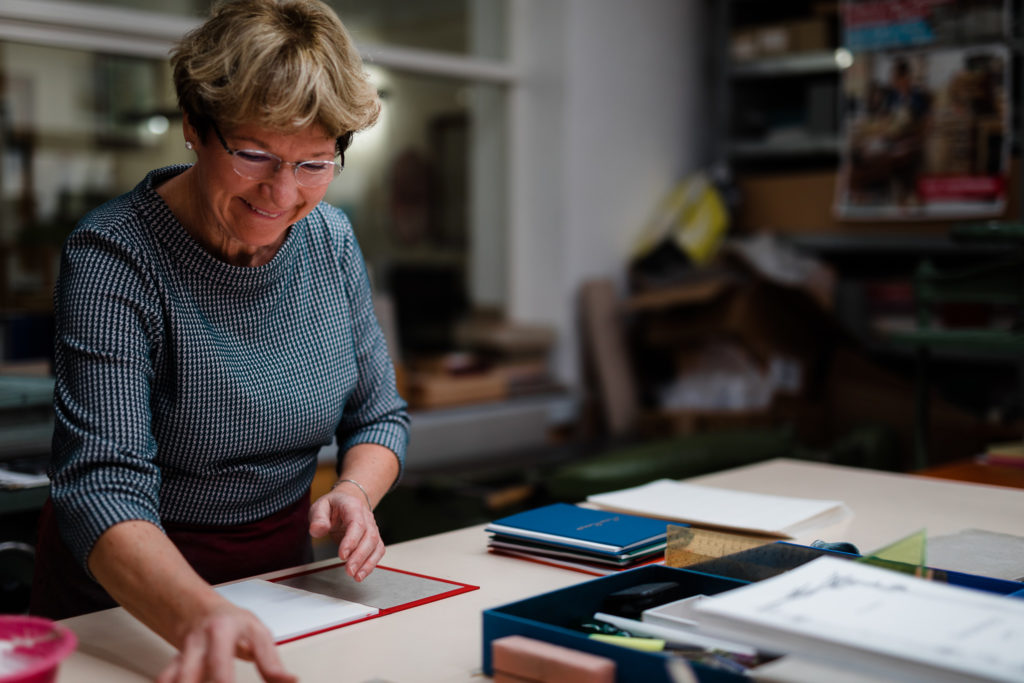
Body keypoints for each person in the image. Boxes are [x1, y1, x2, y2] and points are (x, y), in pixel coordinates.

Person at [29, 1, 409, 681]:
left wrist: (355, 488)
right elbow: (100, 484)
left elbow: (378, 413)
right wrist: (197, 609)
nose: (282, 192)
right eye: (255, 154)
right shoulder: (115, 256)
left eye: (315, 163)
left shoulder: (332, 241)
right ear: (195, 130)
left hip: (281, 587)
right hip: (132, 599)